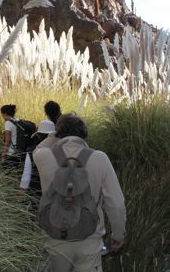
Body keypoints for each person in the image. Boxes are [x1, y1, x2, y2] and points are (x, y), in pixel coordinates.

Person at [34, 113, 126, 271]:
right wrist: (118, 235)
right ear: (84, 133)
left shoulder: (43, 156)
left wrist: (53, 135)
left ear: (58, 133)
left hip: (56, 241)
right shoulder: (100, 158)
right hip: (89, 241)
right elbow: (116, 204)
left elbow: (39, 147)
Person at [19, 119, 55, 199]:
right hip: (56, 190)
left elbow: (26, 174)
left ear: (38, 135)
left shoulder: (31, 151)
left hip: (36, 191)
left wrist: (21, 194)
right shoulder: (61, 149)